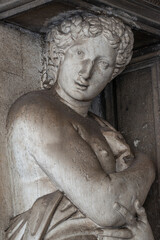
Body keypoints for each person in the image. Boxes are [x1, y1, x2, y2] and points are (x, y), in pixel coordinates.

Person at [6, 11, 155, 239]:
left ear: (112, 74)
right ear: (60, 54)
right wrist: (147, 165)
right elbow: (106, 206)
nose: (86, 72)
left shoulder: (102, 127)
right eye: (79, 53)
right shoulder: (37, 110)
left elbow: (121, 212)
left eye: (102, 64)